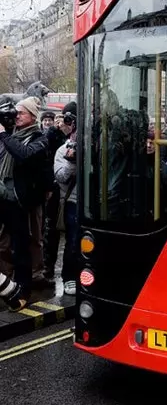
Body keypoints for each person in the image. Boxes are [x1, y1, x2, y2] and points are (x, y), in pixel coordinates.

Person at [0, 97, 50, 310]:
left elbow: (24, 155)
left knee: (22, 246)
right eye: (14, 113)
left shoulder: (40, 138)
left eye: (21, 113)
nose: (16, 116)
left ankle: (23, 288)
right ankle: (6, 283)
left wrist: (3, 134)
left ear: (32, 116)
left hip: (20, 200)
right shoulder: (10, 135)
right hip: (3, 197)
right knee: (3, 244)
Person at [43, 102, 76, 280]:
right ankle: (50, 270)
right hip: (60, 195)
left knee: (75, 240)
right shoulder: (55, 141)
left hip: (80, 199)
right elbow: (61, 175)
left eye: (71, 120)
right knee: (54, 234)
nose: (67, 124)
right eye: (66, 119)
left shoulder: (89, 143)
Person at [54, 115, 78, 296]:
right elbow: (61, 177)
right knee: (72, 242)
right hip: (73, 202)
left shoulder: (95, 148)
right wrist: (72, 162)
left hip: (94, 202)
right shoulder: (63, 150)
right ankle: (69, 277)